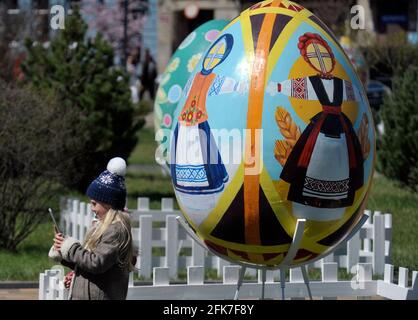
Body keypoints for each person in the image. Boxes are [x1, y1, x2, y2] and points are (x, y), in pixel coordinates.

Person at [48, 157, 136, 300]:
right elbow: (88, 265)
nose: (92, 208)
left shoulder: (116, 231)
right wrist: (63, 251)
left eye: (94, 203)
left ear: (108, 204)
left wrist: (70, 247)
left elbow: (96, 263)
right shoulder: (103, 227)